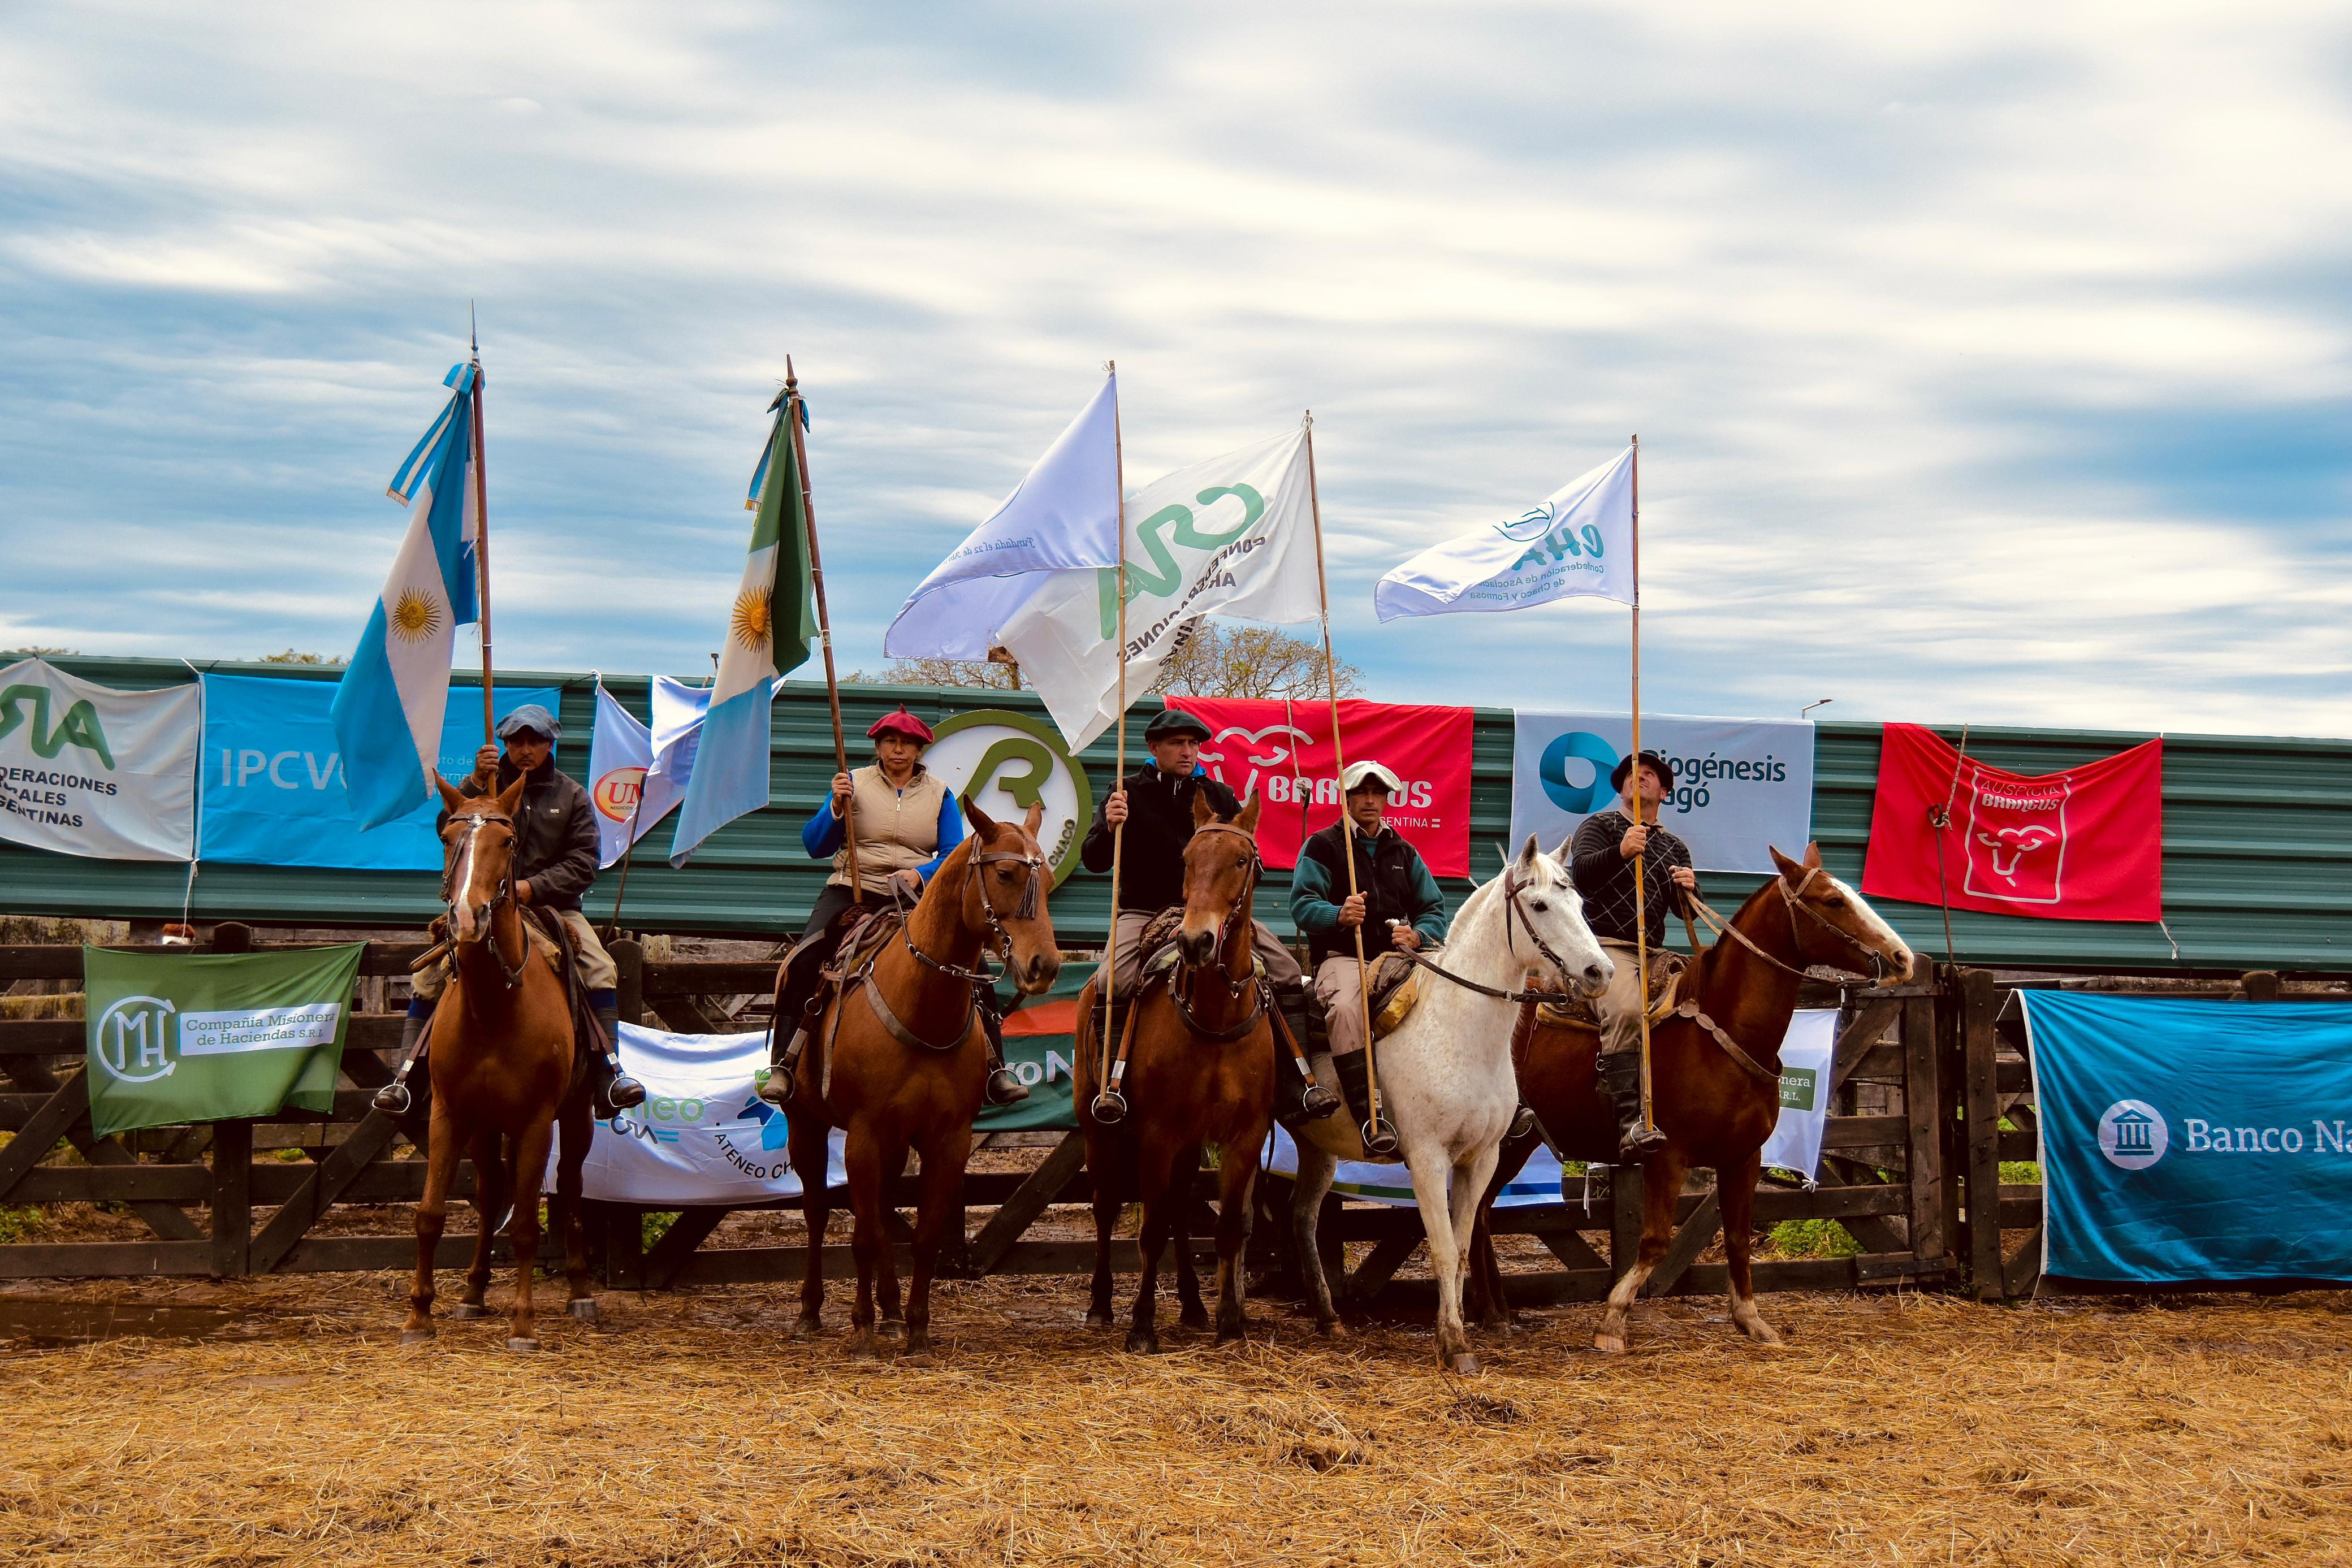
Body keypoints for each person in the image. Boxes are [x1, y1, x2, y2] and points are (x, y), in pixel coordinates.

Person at [376, 705, 645, 1117]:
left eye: (534, 741)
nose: (525, 749)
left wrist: (529, 888)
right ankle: (406, 1079)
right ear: (503, 744)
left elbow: (583, 863)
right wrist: (472, 779)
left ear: (549, 744)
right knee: (429, 975)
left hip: (554, 908)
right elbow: (448, 829)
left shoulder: (571, 796)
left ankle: (608, 1075)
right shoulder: (484, 787)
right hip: (484, 905)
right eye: (516, 741)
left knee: (601, 968)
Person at [762, 707, 1027, 1108]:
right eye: (890, 742)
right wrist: (835, 807)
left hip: (915, 898)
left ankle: (995, 1068)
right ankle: (783, 1063)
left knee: (976, 970)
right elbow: (814, 846)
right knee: (804, 958)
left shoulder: (940, 794)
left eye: (906, 743)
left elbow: (954, 854)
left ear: (919, 749)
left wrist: (921, 874)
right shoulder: (852, 783)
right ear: (879, 747)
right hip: (853, 888)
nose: (898, 749)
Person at [1080, 707, 1335, 1121]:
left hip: (1216, 913)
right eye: (1178, 744)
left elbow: (1244, 858)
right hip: (1143, 911)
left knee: (1288, 971)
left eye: (1194, 744)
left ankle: (1296, 1084)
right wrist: (1109, 828)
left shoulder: (1219, 796)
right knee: (1114, 978)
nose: (1188, 752)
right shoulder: (1125, 792)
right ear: (1154, 748)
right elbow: (1092, 861)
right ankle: (1114, 1084)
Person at [1287, 760, 1450, 1153]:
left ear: (1388, 800)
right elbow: (1302, 904)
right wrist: (1338, 915)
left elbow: (1435, 910)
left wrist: (1418, 934)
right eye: (1361, 792)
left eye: (1378, 793)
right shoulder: (1324, 845)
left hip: (1399, 959)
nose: (1370, 800)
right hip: (1344, 957)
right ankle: (1370, 1118)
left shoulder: (1404, 851)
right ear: (1346, 799)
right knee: (1345, 1009)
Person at [1569, 749, 1701, 1158]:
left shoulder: (1675, 846)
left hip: (1657, 951)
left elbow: (1685, 912)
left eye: (1648, 775)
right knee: (1626, 1010)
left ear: (1665, 791)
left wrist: (1690, 889)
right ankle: (1630, 1123)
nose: (1637, 778)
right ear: (1622, 790)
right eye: (1630, 774)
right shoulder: (1600, 825)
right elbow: (1580, 877)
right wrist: (1621, 852)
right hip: (1606, 947)